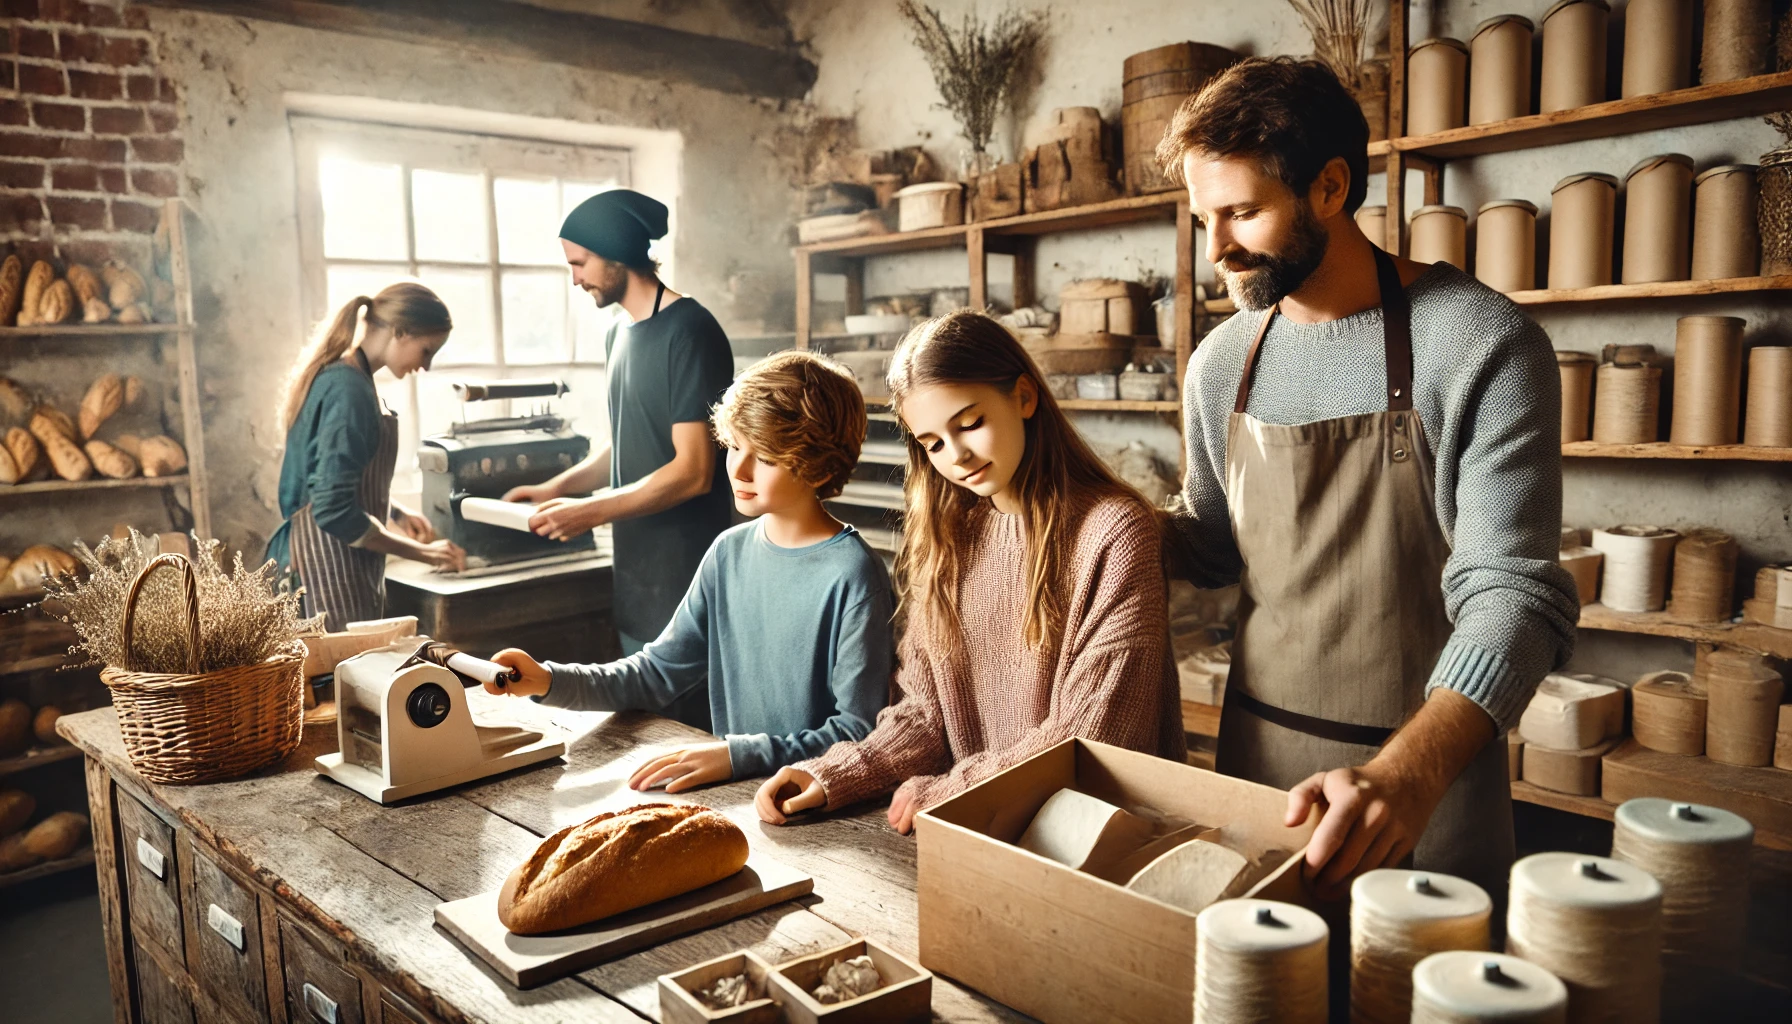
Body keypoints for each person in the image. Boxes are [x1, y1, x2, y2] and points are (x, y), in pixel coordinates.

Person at [1157, 58, 1579, 901]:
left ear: (1330, 188)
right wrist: (1081, 508)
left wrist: (1409, 777)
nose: (1217, 253)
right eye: (1205, 219)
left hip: (1426, 782)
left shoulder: (1479, 344)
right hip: (1259, 777)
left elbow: (1514, 595)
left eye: (1242, 213)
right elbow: (1210, 547)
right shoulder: (1221, 364)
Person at [754, 310, 1184, 835]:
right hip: (981, 830)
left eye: (970, 423)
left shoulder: (1115, 531)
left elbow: (1097, 734)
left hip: (1097, 842)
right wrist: (834, 775)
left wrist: (954, 789)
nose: (955, 456)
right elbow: (925, 713)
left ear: (1024, 397)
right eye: (932, 443)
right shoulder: (949, 538)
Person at [485, 351, 894, 792]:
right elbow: (655, 674)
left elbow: (857, 734)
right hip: (737, 794)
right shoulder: (727, 553)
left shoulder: (854, 575)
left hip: (816, 807)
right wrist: (548, 679)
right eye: (735, 445)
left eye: (767, 457)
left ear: (819, 462)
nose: (738, 468)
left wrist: (737, 756)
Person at [504, 189, 732, 729]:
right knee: (644, 729)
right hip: (635, 576)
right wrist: (556, 489)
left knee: (683, 732)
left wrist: (589, 512)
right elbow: (629, 441)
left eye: (579, 263)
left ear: (614, 254)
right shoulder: (618, 334)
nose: (576, 278)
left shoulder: (691, 331)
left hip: (684, 575)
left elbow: (694, 469)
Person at [269, 283, 466, 631]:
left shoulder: (348, 378)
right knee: (338, 681)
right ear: (400, 332)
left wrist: (394, 511)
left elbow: (336, 476)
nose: (427, 365)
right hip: (320, 567)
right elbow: (331, 508)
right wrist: (422, 552)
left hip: (335, 562)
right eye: (427, 351)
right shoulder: (348, 390)